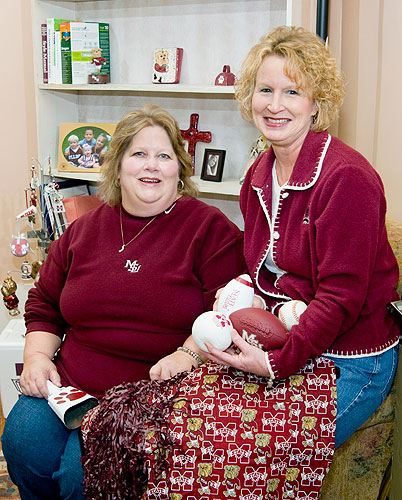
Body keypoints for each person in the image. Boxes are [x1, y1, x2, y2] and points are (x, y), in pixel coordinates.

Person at [1, 104, 245, 500]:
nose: (152, 166)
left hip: (148, 395)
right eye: (139, 154)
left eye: (164, 156)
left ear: (179, 170)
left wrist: (189, 355)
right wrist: (36, 358)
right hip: (69, 385)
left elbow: (228, 315)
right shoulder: (83, 230)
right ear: (117, 167)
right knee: (23, 443)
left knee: (79, 477)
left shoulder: (209, 229)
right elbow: (44, 304)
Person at [204, 25, 400, 451]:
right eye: (265, 90)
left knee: (258, 452)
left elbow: (342, 297)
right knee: (201, 427)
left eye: (292, 92)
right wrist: (243, 290)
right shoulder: (258, 176)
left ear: (317, 104)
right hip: (290, 336)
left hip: (350, 359)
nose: (275, 106)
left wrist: (276, 363)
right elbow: (266, 272)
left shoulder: (347, 178)